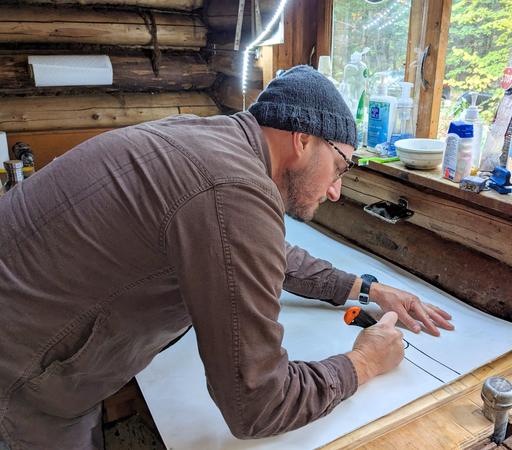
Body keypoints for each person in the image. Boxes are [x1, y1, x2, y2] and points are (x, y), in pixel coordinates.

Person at [0, 65, 453, 450]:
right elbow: (257, 404)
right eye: (340, 166)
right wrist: (364, 363)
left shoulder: (215, 143)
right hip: (19, 380)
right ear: (302, 139)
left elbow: (261, 249)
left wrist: (366, 289)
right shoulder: (232, 189)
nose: (336, 190)